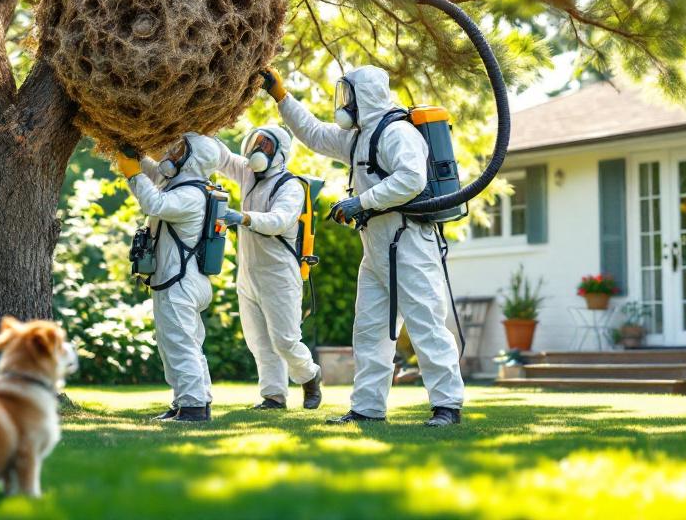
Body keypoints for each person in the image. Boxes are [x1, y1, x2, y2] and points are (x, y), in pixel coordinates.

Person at [259, 65, 464, 427]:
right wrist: (281, 95)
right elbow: (313, 134)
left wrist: (361, 202)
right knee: (369, 331)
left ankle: (447, 406)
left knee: (426, 326)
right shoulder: (358, 138)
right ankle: (368, 408)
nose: (344, 103)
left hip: (409, 243)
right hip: (377, 247)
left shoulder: (397, 132)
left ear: (364, 95)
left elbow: (412, 179)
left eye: (348, 95)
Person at [114, 133, 224, 423]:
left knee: (180, 345)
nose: (171, 154)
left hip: (180, 282)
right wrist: (137, 158)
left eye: (180, 150)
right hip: (186, 280)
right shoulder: (189, 187)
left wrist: (133, 174)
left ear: (193, 160)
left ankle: (193, 408)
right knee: (183, 344)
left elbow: (155, 204)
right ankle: (189, 401)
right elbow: (157, 176)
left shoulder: (189, 195)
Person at [215, 126, 323, 411]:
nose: (257, 150)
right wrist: (205, 130)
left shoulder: (290, 186)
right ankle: (273, 396)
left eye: (265, 145)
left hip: (279, 275)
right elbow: (222, 158)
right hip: (248, 273)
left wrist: (243, 217)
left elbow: (279, 220)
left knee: (285, 341)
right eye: (255, 143)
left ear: (280, 153)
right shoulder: (249, 175)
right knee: (259, 341)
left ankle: (310, 375)